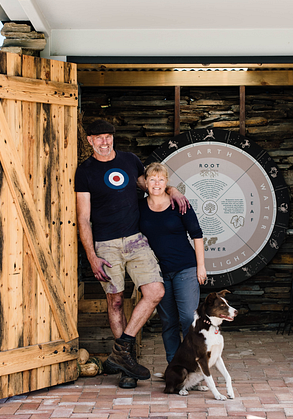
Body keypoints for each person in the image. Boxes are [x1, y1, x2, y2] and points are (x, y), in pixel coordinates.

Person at [75, 119, 188, 388]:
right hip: (106, 245)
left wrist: (170, 189)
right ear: (89, 140)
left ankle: (120, 351)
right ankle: (128, 368)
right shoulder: (85, 171)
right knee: (115, 301)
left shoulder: (129, 160)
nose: (105, 142)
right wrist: (91, 255)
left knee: (155, 292)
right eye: (98, 138)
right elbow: (83, 218)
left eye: (108, 136)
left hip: (136, 241)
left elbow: (150, 185)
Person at [139, 162, 207, 363]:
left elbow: (197, 234)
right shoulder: (140, 207)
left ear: (166, 181)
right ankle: (175, 368)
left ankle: (194, 366)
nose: (157, 183)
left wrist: (201, 266)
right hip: (158, 273)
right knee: (168, 322)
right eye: (152, 179)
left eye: (161, 179)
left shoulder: (180, 204)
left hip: (185, 268)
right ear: (146, 182)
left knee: (188, 318)